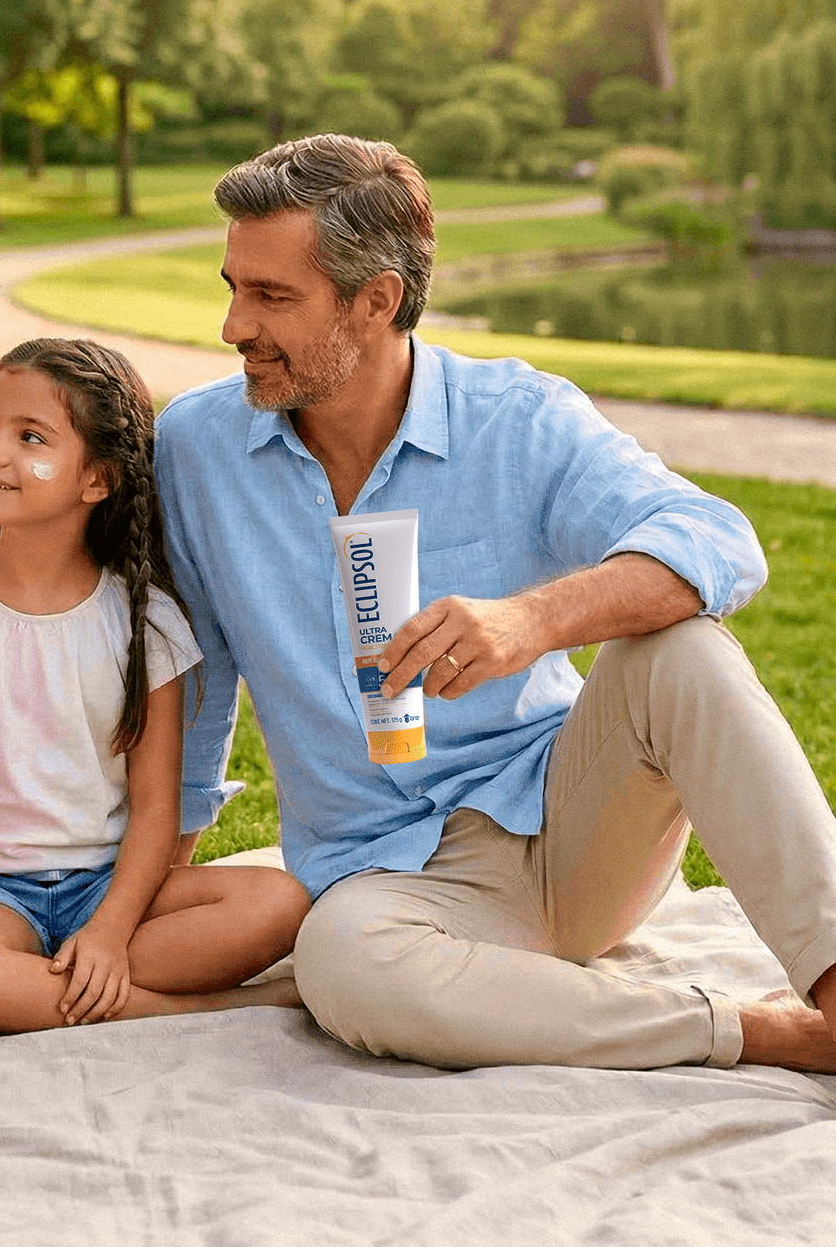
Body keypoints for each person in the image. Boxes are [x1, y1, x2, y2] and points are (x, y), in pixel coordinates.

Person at [154, 133, 836, 1073]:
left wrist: (530, 622)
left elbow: (719, 541)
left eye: (271, 296)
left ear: (377, 299)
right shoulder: (196, 448)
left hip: (573, 827)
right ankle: (758, 1032)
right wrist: (149, 897)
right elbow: (194, 688)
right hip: (386, 877)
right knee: (342, 964)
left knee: (681, 652)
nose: (234, 325)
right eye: (232, 286)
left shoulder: (518, 420)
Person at [0, 338, 310, 1035]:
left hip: (110, 894)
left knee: (281, 902)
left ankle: (17, 1000)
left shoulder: (144, 623)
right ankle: (211, 1008)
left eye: (29, 436)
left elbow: (156, 812)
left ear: (96, 480)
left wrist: (107, 931)